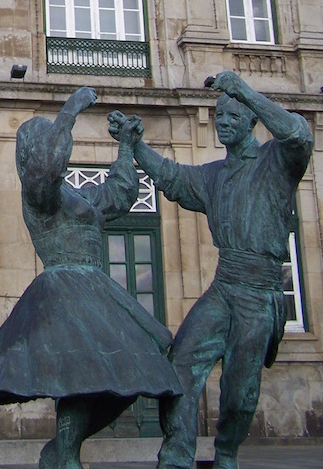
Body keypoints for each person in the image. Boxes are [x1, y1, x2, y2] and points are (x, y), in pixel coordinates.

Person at [0, 87, 180, 469]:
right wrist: (70, 111)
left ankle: (62, 449)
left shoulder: (73, 195)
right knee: (82, 376)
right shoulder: (38, 194)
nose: (56, 147)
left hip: (94, 288)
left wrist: (127, 147)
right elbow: (47, 169)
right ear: (31, 153)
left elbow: (119, 194)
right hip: (64, 291)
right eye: (46, 141)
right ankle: (66, 457)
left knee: (135, 373)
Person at [112, 71, 313, 469]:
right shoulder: (213, 176)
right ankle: (177, 455)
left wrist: (244, 91)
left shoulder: (278, 161)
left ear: (252, 119)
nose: (222, 121)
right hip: (225, 286)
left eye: (232, 115)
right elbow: (171, 176)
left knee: (239, 394)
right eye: (219, 115)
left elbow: (300, 136)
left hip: (261, 292)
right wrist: (135, 145)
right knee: (181, 365)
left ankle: (225, 454)